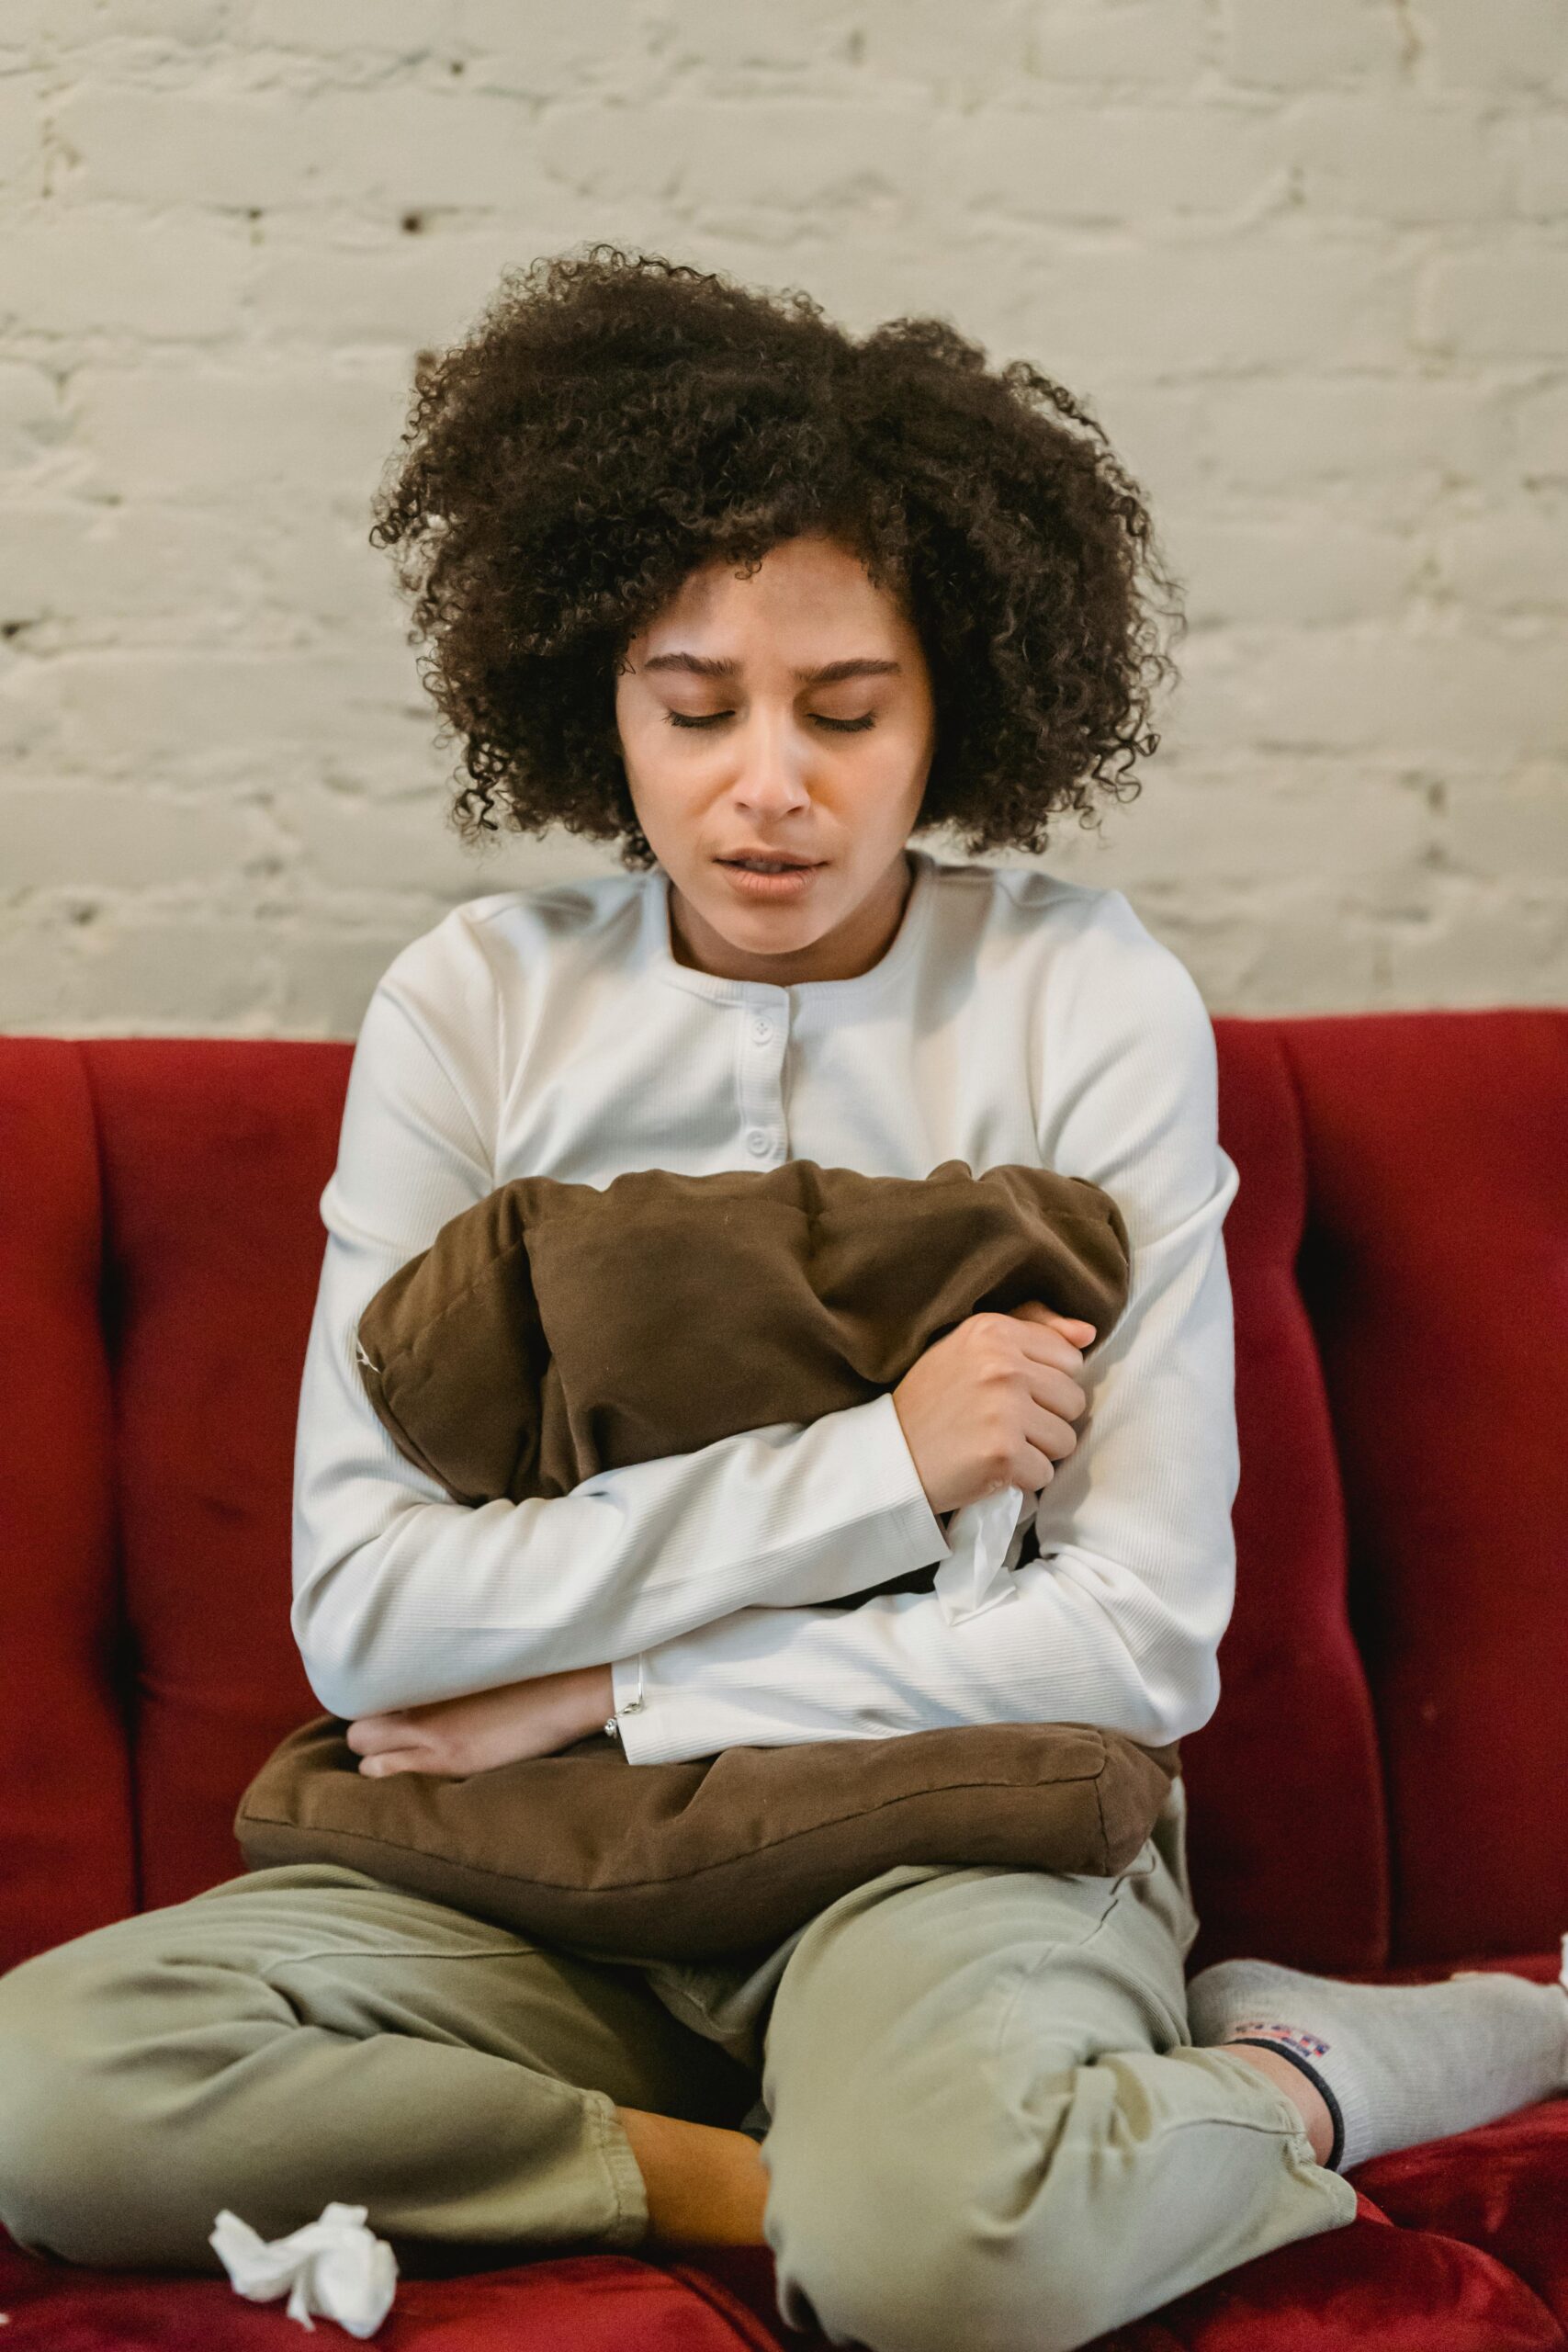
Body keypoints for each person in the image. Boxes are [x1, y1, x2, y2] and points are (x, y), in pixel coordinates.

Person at [1, 248, 1563, 2352]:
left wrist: (607, 1688)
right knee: (45, 2091)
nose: (767, 784)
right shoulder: (470, 1006)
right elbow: (366, 1616)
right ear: (590, 692)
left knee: (949, 2265)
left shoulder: (1077, 992)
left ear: (955, 703)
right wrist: (881, 1468)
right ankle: (748, 2169)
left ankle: (1320, 2060)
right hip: (539, 1880)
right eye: (690, 702)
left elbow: (1138, 1635)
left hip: (951, 1859)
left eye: (844, 710)